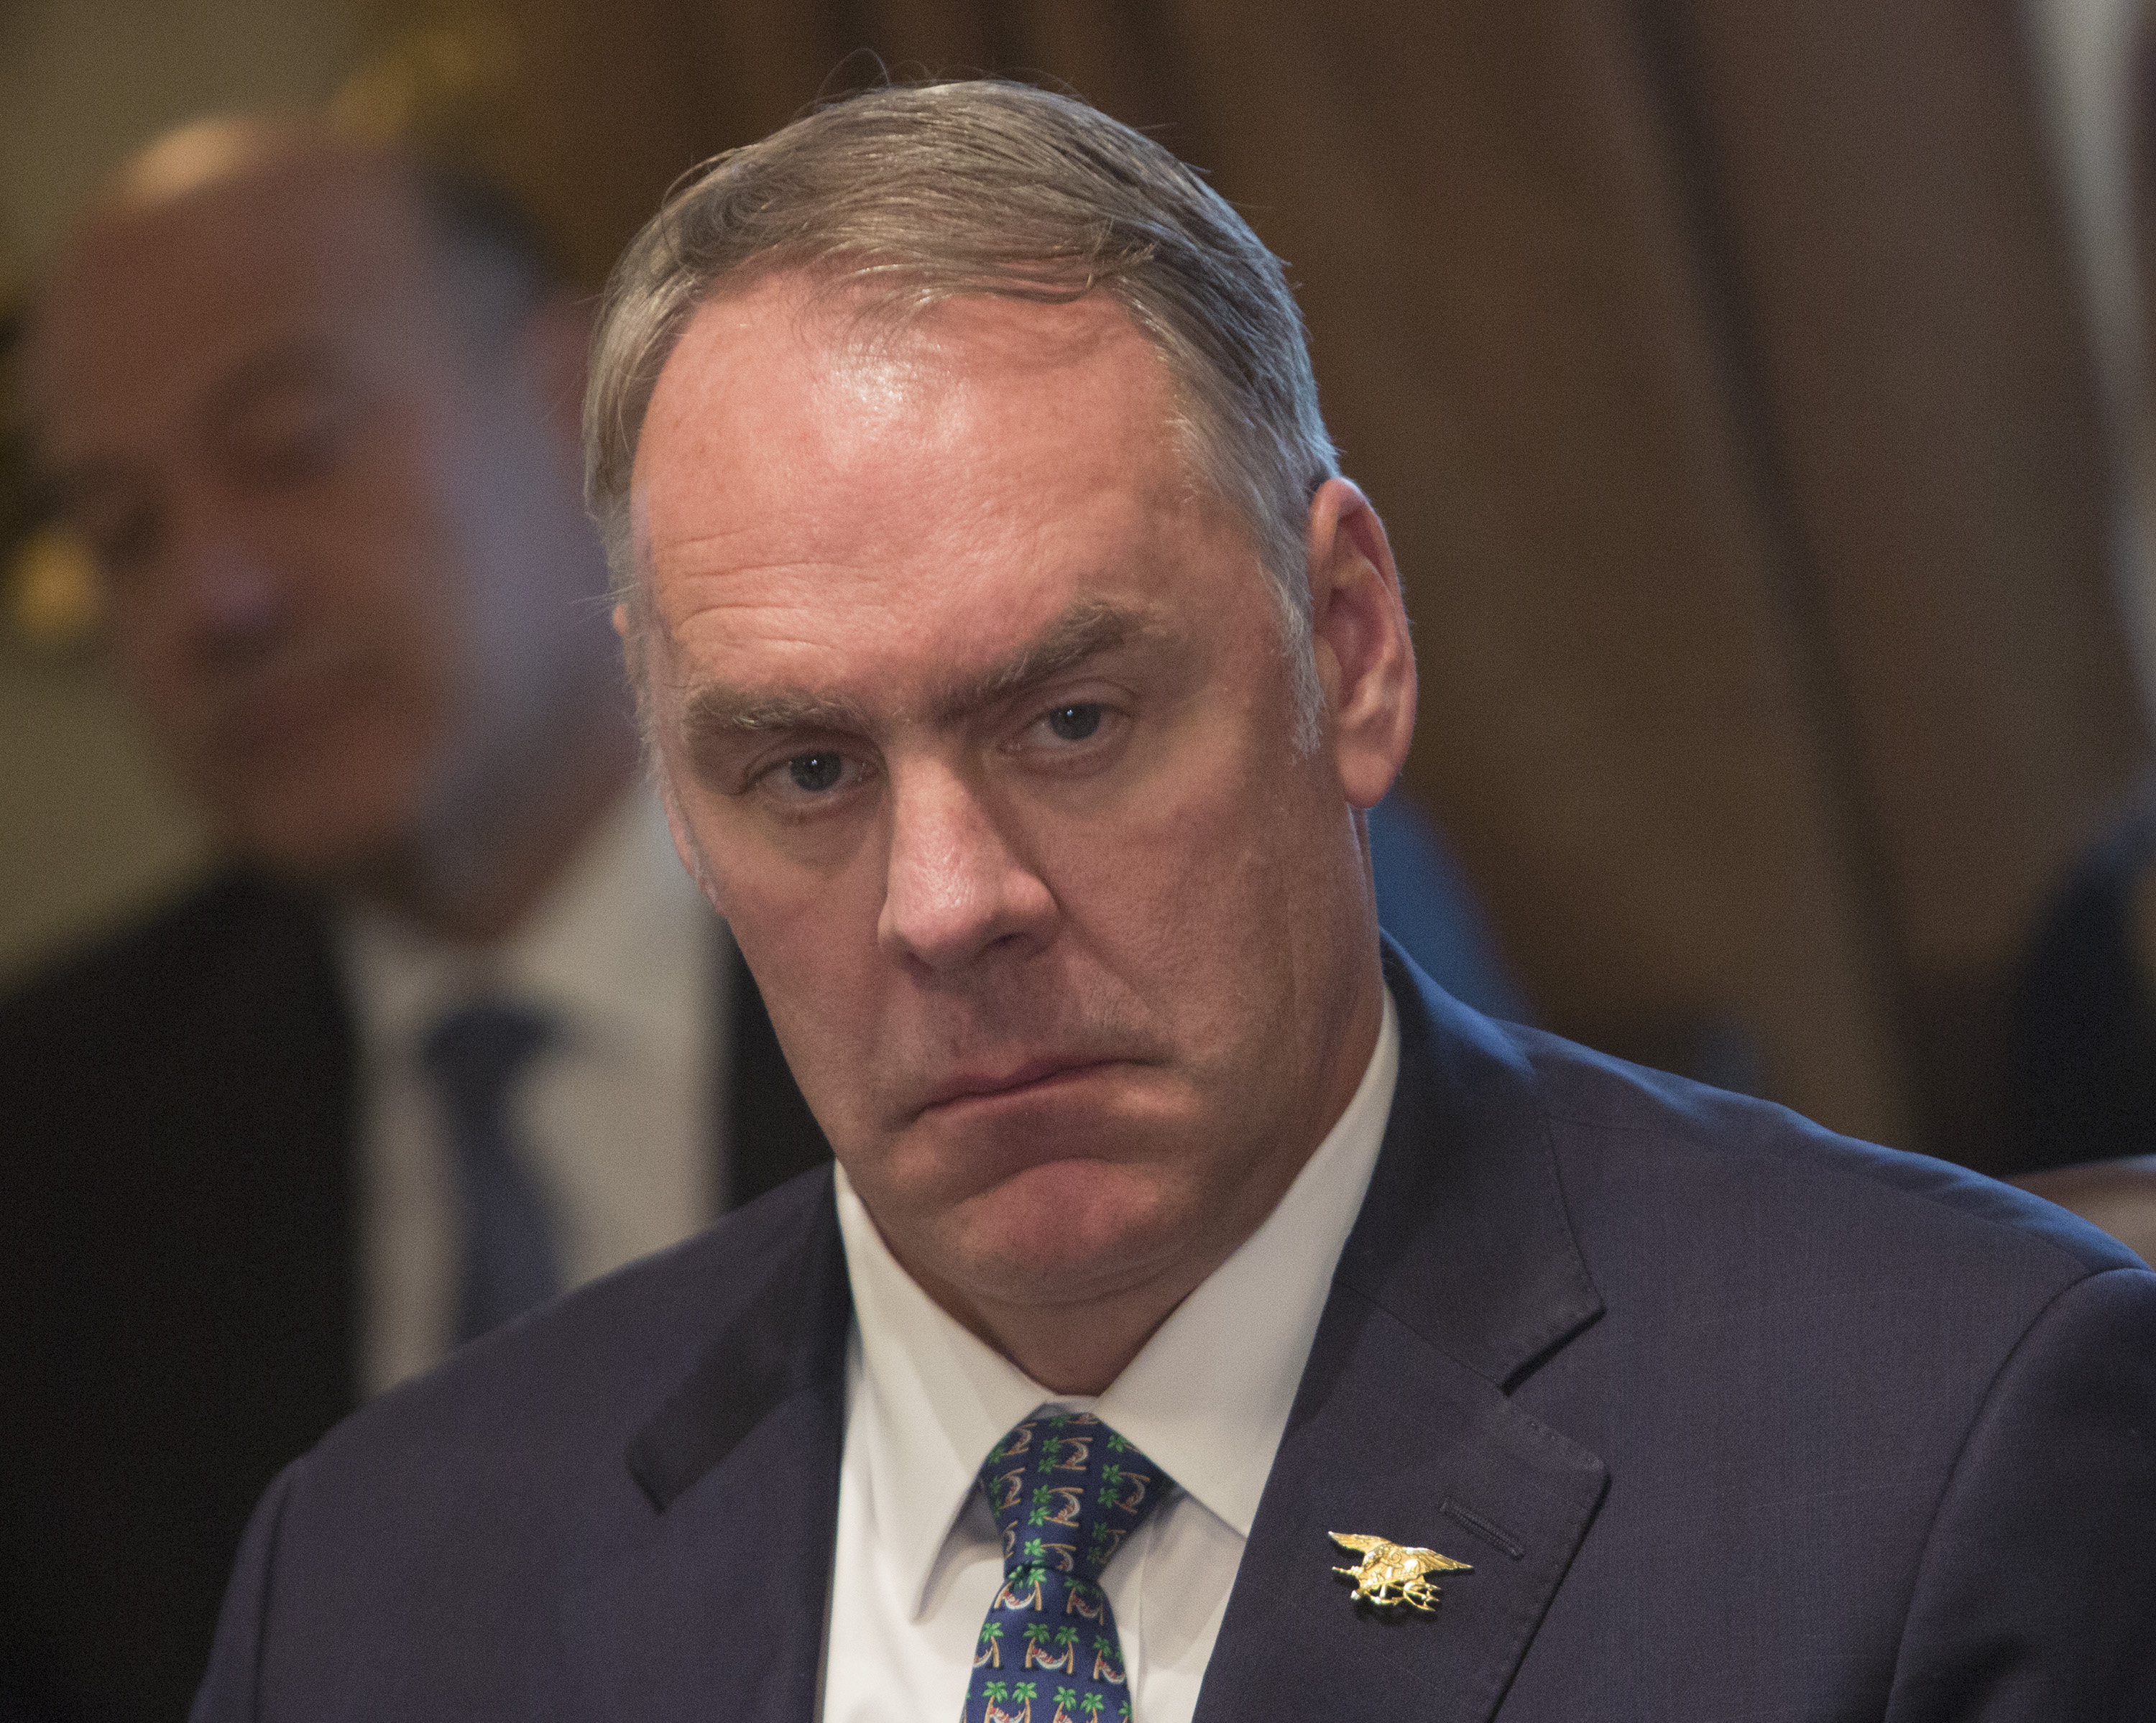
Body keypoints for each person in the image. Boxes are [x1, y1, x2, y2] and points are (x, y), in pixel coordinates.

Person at [190, 82, 2156, 1721]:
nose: (948, 905)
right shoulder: (376, 1586)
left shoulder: (1937, 1447)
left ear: (1353, 646)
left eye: (1070, 717)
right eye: (804, 770)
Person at [0, 119, 831, 1723]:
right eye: (124, 532)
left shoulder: (1005, 911)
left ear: (578, 401)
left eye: (294, 444)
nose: (214, 599)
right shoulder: (57, 1140)